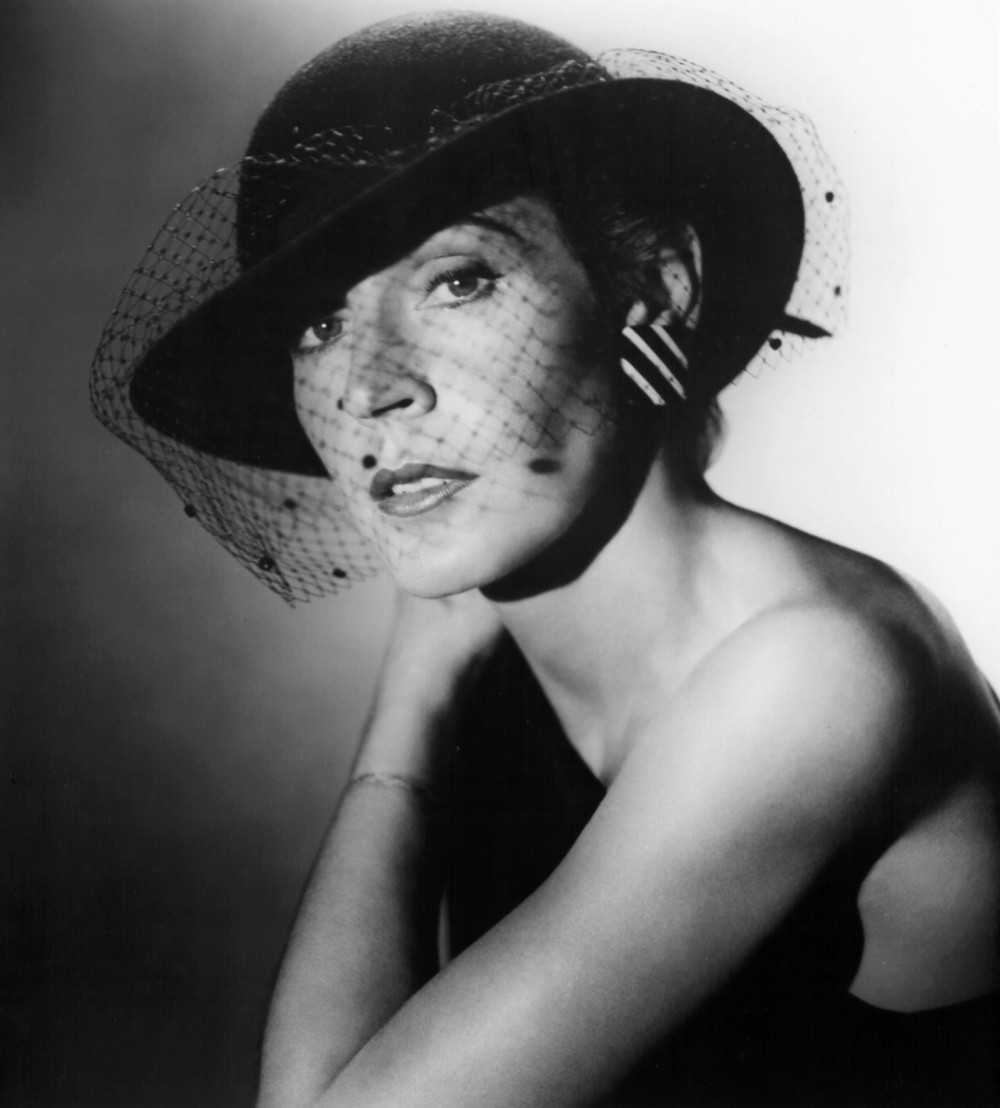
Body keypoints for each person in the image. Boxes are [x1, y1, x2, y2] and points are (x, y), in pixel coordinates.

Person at [91, 11, 999, 1106]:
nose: (371, 386)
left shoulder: (815, 672)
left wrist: (408, 711)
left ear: (654, 286)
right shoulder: (505, 657)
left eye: (457, 280)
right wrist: (421, 698)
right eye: (319, 324)